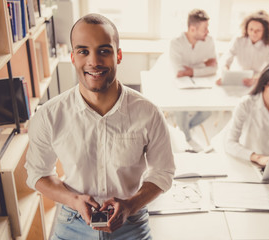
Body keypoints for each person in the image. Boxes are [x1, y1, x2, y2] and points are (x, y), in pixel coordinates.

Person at [25, 13, 175, 240]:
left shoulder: (149, 113)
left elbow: (163, 172)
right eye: (83, 51)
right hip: (71, 223)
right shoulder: (48, 115)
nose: (93, 61)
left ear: (119, 55)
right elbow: (37, 174)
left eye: (104, 51)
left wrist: (131, 205)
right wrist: (73, 200)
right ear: (73, 57)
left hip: (131, 223)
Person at [169, 9, 217, 152]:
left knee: (208, 110)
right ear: (192, 29)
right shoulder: (176, 42)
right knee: (181, 106)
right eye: (205, 29)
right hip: (180, 85)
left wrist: (191, 71)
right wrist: (203, 65)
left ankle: (184, 131)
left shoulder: (209, 41)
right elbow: (179, 72)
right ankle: (187, 142)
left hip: (202, 84)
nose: (207, 32)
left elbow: (214, 68)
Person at [217, 10, 269, 87]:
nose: (253, 33)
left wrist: (257, 79)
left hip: (258, 78)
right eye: (251, 29)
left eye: (258, 30)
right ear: (246, 29)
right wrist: (225, 71)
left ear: (265, 31)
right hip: (238, 76)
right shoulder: (239, 40)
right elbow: (228, 56)